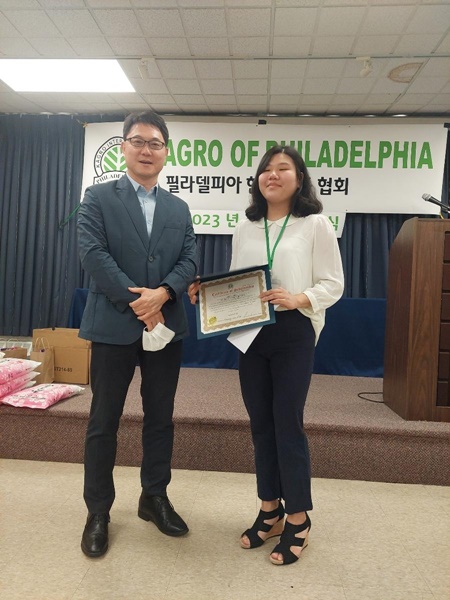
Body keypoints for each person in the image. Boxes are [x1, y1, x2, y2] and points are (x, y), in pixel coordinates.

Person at [189, 145, 344, 565]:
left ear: (299, 179)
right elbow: (237, 281)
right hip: (251, 333)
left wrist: (299, 298)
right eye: (266, 169)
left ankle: (299, 518)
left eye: (283, 168)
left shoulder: (315, 224)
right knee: (260, 424)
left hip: (293, 331)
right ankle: (270, 510)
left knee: (287, 423)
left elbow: (333, 283)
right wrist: (208, 293)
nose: (272, 175)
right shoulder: (246, 226)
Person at [77, 110, 197, 558]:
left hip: (166, 324)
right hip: (113, 326)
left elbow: (189, 259)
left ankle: (154, 497)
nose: (147, 150)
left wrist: (162, 294)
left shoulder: (178, 208)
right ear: (124, 147)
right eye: (138, 141)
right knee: (103, 420)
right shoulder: (97, 197)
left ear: (166, 152)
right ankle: (98, 511)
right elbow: (93, 254)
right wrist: (139, 303)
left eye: (155, 143)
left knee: (160, 416)